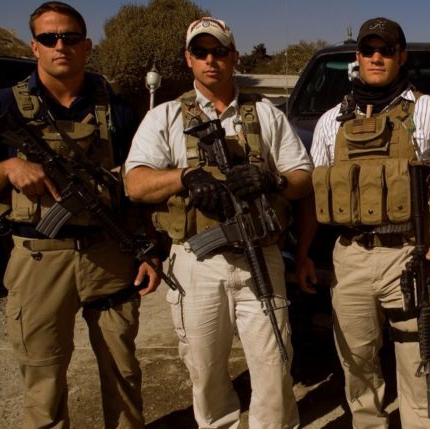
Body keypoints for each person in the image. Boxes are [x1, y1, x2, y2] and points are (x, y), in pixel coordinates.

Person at [0, 2, 156, 428]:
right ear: (34, 46)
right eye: (49, 38)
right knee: (44, 379)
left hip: (109, 254)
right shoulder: (1, 107)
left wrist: (148, 251)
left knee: (123, 373)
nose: (60, 46)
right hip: (39, 257)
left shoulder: (118, 109)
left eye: (70, 38)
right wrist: (7, 168)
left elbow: (141, 189)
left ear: (87, 46)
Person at [124, 16, 311, 428]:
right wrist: (184, 176)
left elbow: (302, 178)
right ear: (188, 60)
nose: (211, 60)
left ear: (234, 56)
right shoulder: (166, 118)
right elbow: (135, 183)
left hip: (260, 257)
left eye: (219, 51)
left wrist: (273, 178)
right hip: (197, 261)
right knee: (205, 370)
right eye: (201, 52)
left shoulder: (266, 115)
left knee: (275, 364)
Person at [309, 17, 430, 428]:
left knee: (420, 358)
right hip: (350, 256)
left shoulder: (429, 111)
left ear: (402, 56)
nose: (377, 57)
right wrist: (304, 258)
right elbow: (314, 190)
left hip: (409, 254)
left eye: (386, 49)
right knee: (356, 361)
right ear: (358, 56)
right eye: (368, 50)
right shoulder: (331, 121)